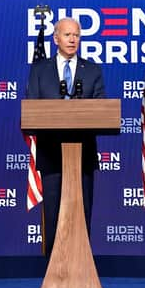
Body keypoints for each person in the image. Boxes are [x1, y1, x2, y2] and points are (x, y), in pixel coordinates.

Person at [25, 17, 106, 259]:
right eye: (67, 35)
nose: (72, 39)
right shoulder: (40, 70)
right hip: (51, 154)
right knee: (53, 214)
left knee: (82, 213)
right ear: (56, 38)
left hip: (83, 155)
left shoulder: (92, 70)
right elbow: (32, 108)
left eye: (77, 35)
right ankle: (53, 270)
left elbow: (102, 107)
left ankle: (82, 268)